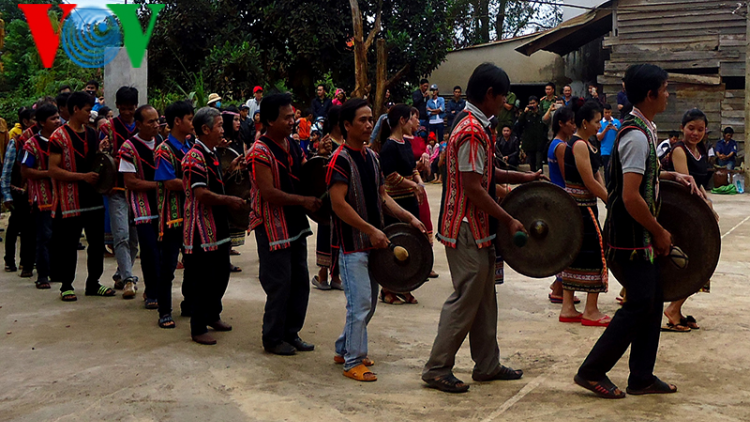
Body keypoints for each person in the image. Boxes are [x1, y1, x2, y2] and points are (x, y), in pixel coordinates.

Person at [575, 63, 698, 399]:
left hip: (638, 236)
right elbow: (630, 195)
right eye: (666, 88)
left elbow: (643, 180)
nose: (668, 94)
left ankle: (641, 376)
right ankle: (592, 370)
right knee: (640, 303)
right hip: (630, 238)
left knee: (652, 299)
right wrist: (659, 232)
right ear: (650, 94)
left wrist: (672, 177)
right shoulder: (634, 136)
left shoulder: (643, 128)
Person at [423, 63, 545, 393]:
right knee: (466, 299)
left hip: (475, 226)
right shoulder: (473, 131)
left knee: (484, 298)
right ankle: (437, 367)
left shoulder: (472, 124)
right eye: (503, 96)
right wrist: (508, 218)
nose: (505, 102)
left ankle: (487, 364)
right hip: (464, 226)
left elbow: (487, 174)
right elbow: (474, 187)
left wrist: (524, 178)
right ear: (490, 94)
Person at [327, 98, 426, 382]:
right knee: (359, 303)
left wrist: (409, 218)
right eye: (362, 120)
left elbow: (383, 197)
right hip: (352, 245)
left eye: (371, 119)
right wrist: (370, 229)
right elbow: (338, 205)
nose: (369, 124)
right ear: (346, 126)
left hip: (373, 244)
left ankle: (344, 348)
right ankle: (353, 361)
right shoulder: (340, 160)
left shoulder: (372, 157)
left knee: (367, 303)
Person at [247, 93, 320, 355]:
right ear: (269, 120)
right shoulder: (259, 151)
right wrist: (304, 200)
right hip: (270, 224)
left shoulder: (291, 144)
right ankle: (273, 337)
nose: (292, 121)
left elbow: (304, 171)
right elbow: (268, 193)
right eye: (287, 117)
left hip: (293, 221)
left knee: (299, 280)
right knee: (280, 282)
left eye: (293, 116)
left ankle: (291, 333)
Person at [181, 107, 245, 345]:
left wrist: (231, 171)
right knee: (202, 278)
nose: (223, 129)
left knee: (219, 274)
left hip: (216, 225)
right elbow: (201, 193)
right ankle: (198, 326)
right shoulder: (194, 157)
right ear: (205, 129)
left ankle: (213, 315)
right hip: (200, 227)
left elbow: (214, 185)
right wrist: (229, 200)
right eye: (219, 125)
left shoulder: (212, 154)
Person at [48, 91, 114, 301]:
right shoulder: (58, 136)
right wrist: (82, 177)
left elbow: (94, 162)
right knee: (69, 244)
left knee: (96, 244)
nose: (90, 114)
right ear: (75, 109)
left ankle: (93, 283)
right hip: (70, 199)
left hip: (93, 197)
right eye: (87, 110)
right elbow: (53, 170)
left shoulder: (93, 134)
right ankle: (66, 285)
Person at [661, 109, 715, 332]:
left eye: (700, 129)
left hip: (692, 213)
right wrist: (706, 207)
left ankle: (676, 308)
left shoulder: (700, 150)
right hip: (675, 214)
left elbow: (700, 185)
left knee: (700, 261)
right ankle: (672, 309)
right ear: (683, 128)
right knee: (696, 260)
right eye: (691, 128)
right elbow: (687, 186)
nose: (695, 133)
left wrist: (708, 204)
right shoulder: (679, 151)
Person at [560, 100, 611, 327]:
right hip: (581, 206)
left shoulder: (589, 144)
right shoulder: (579, 145)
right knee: (595, 253)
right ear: (584, 123)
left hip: (584, 205)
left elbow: (597, 175)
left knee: (575, 252)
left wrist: (608, 195)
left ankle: (568, 307)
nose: (599, 124)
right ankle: (590, 310)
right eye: (597, 121)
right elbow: (589, 181)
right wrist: (610, 200)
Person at [372, 104, 428, 304]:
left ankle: (404, 286)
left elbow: (412, 169)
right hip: (395, 203)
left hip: (410, 200)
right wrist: (413, 185)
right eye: (410, 118)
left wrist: (419, 184)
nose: (413, 122)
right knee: (394, 245)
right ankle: (388, 288)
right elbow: (391, 176)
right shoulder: (389, 146)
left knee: (411, 243)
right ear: (402, 121)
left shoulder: (404, 143)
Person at [154, 100, 194, 326]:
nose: (192, 123)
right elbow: (169, 182)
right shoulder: (164, 150)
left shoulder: (190, 147)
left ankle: (188, 304)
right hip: (171, 217)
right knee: (167, 267)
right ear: (177, 122)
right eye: (189, 119)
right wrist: (197, 184)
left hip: (190, 216)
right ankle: (164, 311)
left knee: (192, 263)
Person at [118, 105, 162, 311]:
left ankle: (159, 289)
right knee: (150, 250)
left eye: (157, 120)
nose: (156, 125)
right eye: (150, 122)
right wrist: (161, 186)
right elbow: (130, 182)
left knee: (163, 250)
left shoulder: (163, 143)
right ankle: (152, 291)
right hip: (142, 206)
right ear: (138, 125)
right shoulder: (128, 148)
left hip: (163, 206)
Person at [99, 86, 140, 299]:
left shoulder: (143, 126)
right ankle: (129, 279)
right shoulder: (108, 129)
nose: (126, 113)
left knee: (134, 239)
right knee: (122, 235)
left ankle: (122, 272)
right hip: (116, 189)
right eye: (123, 109)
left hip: (137, 190)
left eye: (130, 109)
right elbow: (100, 158)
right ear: (117, 106)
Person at [20, 104, 60, 289]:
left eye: (58, 117)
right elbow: (26, 171)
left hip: (61, 196)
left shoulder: (60, 140)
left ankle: (55, 270)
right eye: (53, 118)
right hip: (42, 197)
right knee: (44, 236)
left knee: (57, 236)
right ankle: (42, 275)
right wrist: (49, 173)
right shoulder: (31, 144)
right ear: (43, 122)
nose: (58, 121)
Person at [546, 106, 580, 304]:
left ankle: (558, 285)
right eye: (571, 122)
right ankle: (559, 288)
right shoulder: (561, 147)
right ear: (561, 123)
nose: (574, 126)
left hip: (558, 195)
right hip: (564, 196)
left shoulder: (556, 144)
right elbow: (566, 174)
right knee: (568, 244)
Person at [1, 107, 36, 276]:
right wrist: (6, 194)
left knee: (29, 227)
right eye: (35, 119)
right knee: (15, 226)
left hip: (32, 191)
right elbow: (7, 171)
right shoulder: (16, 142)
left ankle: (26, 260)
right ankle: (10, 259)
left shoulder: (40, 141)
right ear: (26, 122)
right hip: (17, 191)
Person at [311, 106, 342, 291]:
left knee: (339, 235)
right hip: (327, 197)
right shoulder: (328, 141)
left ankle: (336, 275)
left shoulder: (344, 141)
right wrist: (321, 153)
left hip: (341, 197)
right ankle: (323, 273)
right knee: (326, 233)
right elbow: (318, 167)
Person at [219, 107, 245, 272]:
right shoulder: (219, 142)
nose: (238, 122)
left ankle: (227, 251)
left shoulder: (237, 140)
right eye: (235, 120)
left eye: (239, 119)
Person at [518, 96, 547, 172]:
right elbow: (519, 124)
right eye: (530, 103)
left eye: (533, 103)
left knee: (539, 163)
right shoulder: (527, 115)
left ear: (537, 103)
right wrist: (524, 113)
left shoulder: (541, 114)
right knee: (532, 163)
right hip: (530, 142)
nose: (532, 105)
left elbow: (545, 127)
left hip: (539, 142)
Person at [597, 103, 621, 184]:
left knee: (616, 170)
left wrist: (616, 129)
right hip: (605, 151)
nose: (607, 114)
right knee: (607, 171)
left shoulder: (617, 122)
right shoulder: (600, 123)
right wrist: (605, 130)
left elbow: (622, 135)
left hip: (615, 150)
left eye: (609, 112)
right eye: (605, 112)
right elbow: (599, 137)